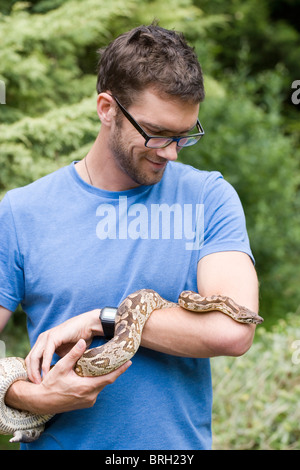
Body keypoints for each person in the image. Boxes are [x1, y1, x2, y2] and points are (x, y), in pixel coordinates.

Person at [0, 24, 259, 450]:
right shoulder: (23, 211)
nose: (171, 152)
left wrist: (104, 318)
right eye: (157, 133)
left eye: (184, 136)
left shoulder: (209, 197)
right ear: (107, 108)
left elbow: (232, 331)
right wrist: (29, 395)